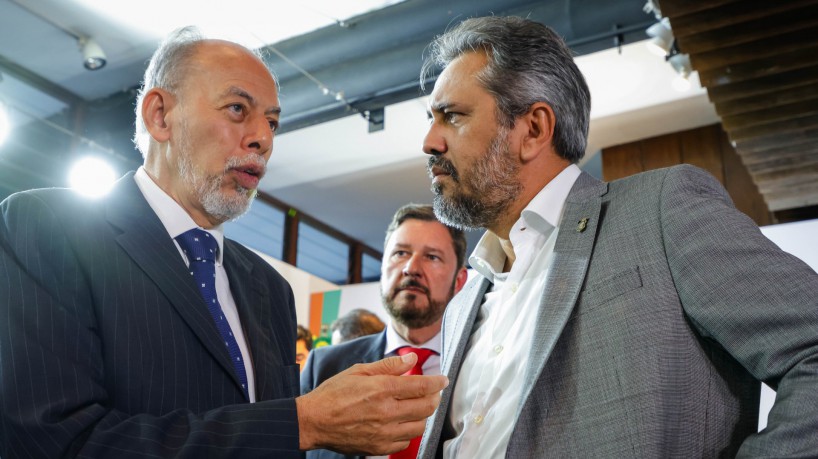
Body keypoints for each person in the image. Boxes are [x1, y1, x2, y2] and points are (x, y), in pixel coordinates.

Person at [0, 27, 447, 458]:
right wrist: (303, 423)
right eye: (237, 109)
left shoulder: (270, 289)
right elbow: (56, 442)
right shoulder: (48, 228)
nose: (264, 138)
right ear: (160, 115)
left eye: (272, 122)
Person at [416, 16, 818, 458]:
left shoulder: (662, 210)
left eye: (452, 116)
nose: (429, 141)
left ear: (532, 130)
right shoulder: (461, 305)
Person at [302, 203, 468, 459]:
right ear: (382, 267)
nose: (411, 268)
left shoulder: (476, 369)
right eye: (400, 253)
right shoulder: (324, 367)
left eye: (432, 257)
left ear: (459, 281)